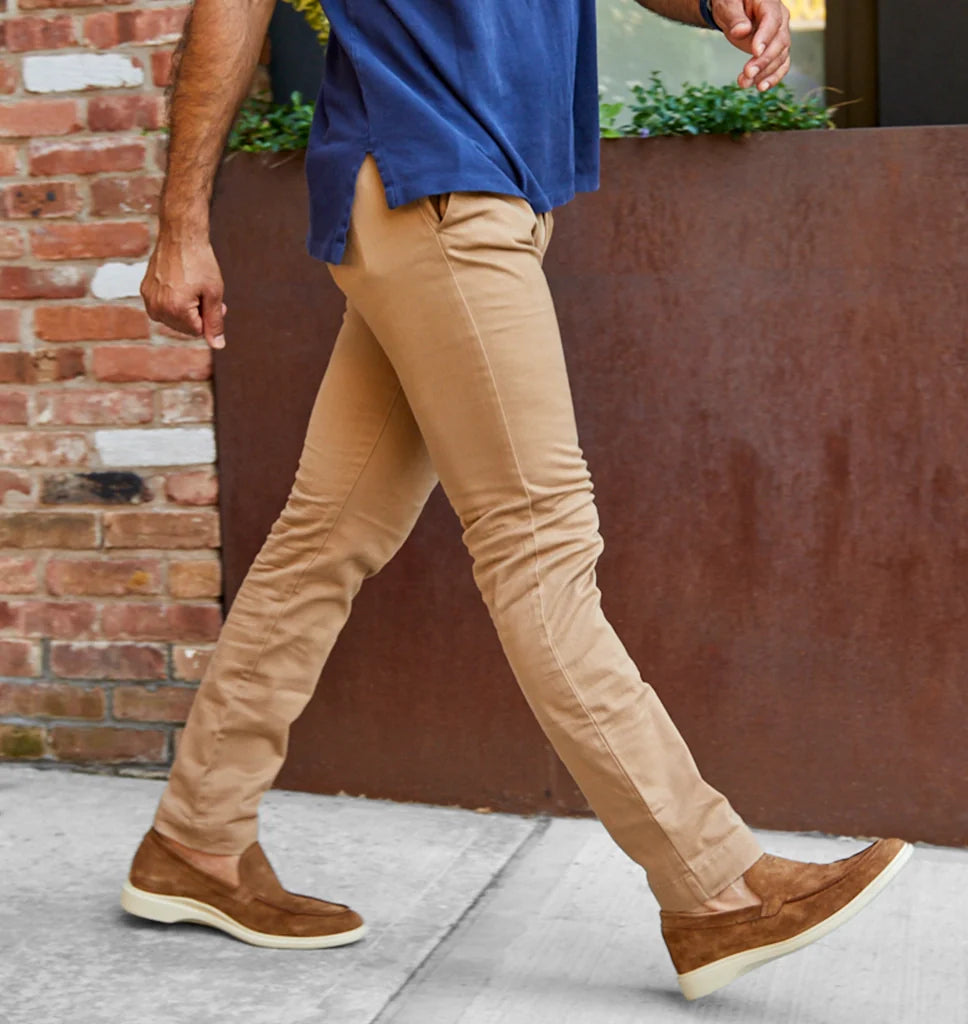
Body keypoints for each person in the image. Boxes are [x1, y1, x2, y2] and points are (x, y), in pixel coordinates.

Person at [122, 0, 912, 1001]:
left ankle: (196, 840)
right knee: (539, 544)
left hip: (481, 191)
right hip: (432, 183)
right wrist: (181, 224)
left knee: (325, 538)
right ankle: (716, 887)